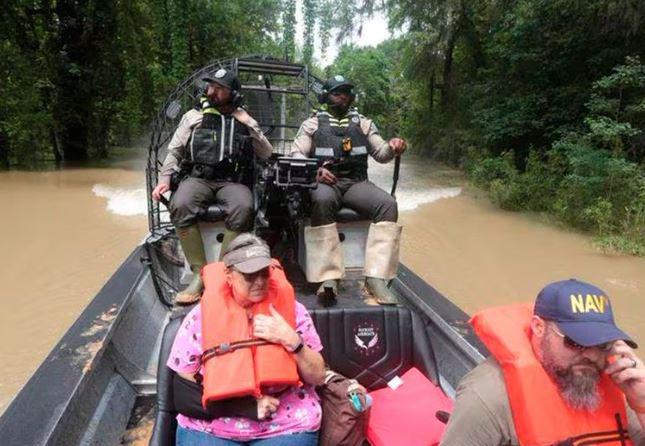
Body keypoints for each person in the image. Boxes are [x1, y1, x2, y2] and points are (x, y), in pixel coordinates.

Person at [441, 279, 645, 445]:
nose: (592, 356)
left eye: (602, 344)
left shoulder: (616, 381)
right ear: (539, 327)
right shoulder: (487, 396)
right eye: (576, 342)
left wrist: (642, 402)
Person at [167, 233, 326, 445]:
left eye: (264, 273)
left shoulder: (294, 313)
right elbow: (183, 389)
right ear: (229, 276)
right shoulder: (200, 317)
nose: (260, 282)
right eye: (249, 275)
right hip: (213, 425)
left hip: (284, 422)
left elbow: (318, 377)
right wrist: (246, 407)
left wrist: (292, 341)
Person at [151, 68, 273, 305]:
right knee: (181, 203)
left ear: (233, 93)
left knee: (244, 206)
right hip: (199, 179)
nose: (212, 92)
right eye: (210, 87)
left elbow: (266, 152)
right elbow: (174, 151)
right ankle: (199, 274)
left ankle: (220, 271)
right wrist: (164, 180)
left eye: (219, 88)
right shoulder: (193, 117)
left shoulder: (244, 119)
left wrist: (249, 124)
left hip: (231, 181)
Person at [290, 75, 407, 305]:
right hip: (325, 183)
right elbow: (296, 154)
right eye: (337, 92)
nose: (343, 97)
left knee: (388, 205)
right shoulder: (311, 124)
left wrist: (394, 147)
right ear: (326, 96)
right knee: (321, 201)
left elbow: (381, 154)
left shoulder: (364, 123)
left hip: (355, 183)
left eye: (346, 92)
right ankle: (328, 277)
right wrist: (315, 171)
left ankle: (376, 277)